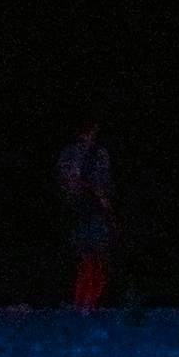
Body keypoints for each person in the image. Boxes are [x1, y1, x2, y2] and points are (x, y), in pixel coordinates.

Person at [57, 119, 116, 311]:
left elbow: (65, 183)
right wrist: (103, 200)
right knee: (94, 260)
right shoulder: (94, 153)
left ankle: (84, 302)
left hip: (79, 209)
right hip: (88, 209)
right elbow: (97, 184)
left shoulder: (69, 154)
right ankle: (86, 303)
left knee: (88, 259)